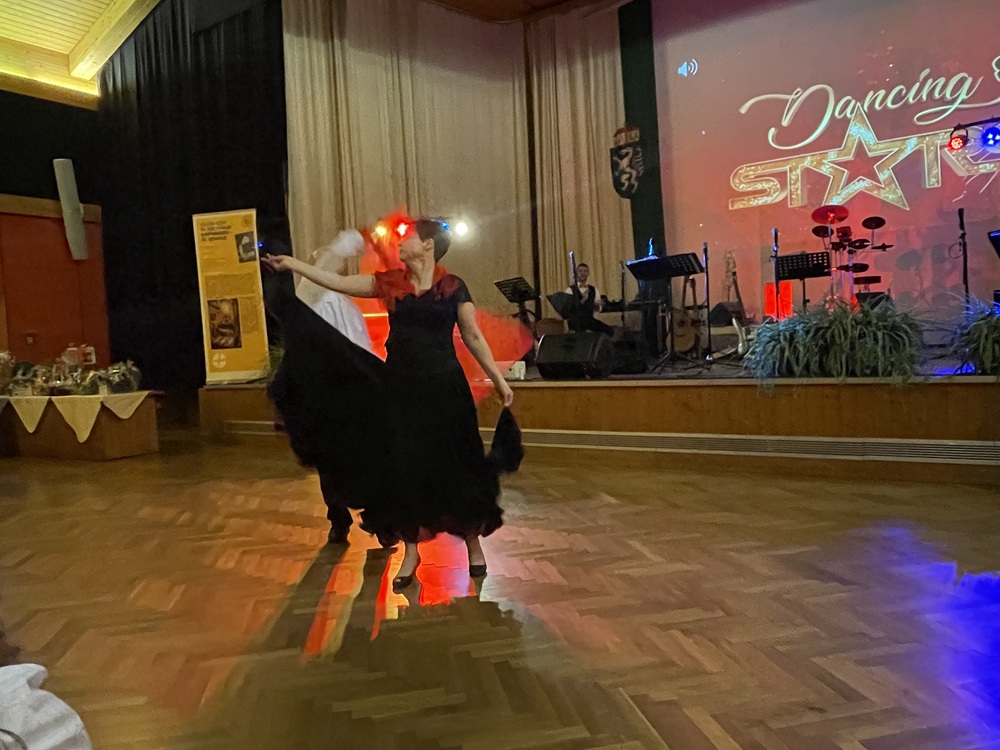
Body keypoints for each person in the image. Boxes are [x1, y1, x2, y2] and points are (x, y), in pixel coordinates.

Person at [262, 218, 518, 591]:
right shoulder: (389, 283)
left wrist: (499, 380)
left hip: (446, 390)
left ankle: (473, 545)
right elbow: (336, 282)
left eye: (408, 237)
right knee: (405, 468)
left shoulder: (452, 286)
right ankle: (411, 552)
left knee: (460, 464)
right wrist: (293, 264)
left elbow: (472, 335)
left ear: (428, 245)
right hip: (401, 389)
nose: (400, 242)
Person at [565, 263, 614, 336]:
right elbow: (567, 309)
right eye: (580, 271)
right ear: (576, 273)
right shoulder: (570, 290)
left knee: (610, 331)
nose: (582, 273)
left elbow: (598, 309)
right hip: (575, 323)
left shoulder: (594, 289)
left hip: (589, 322)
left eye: (585, 271)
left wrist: (597, 305)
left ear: (588, 273)